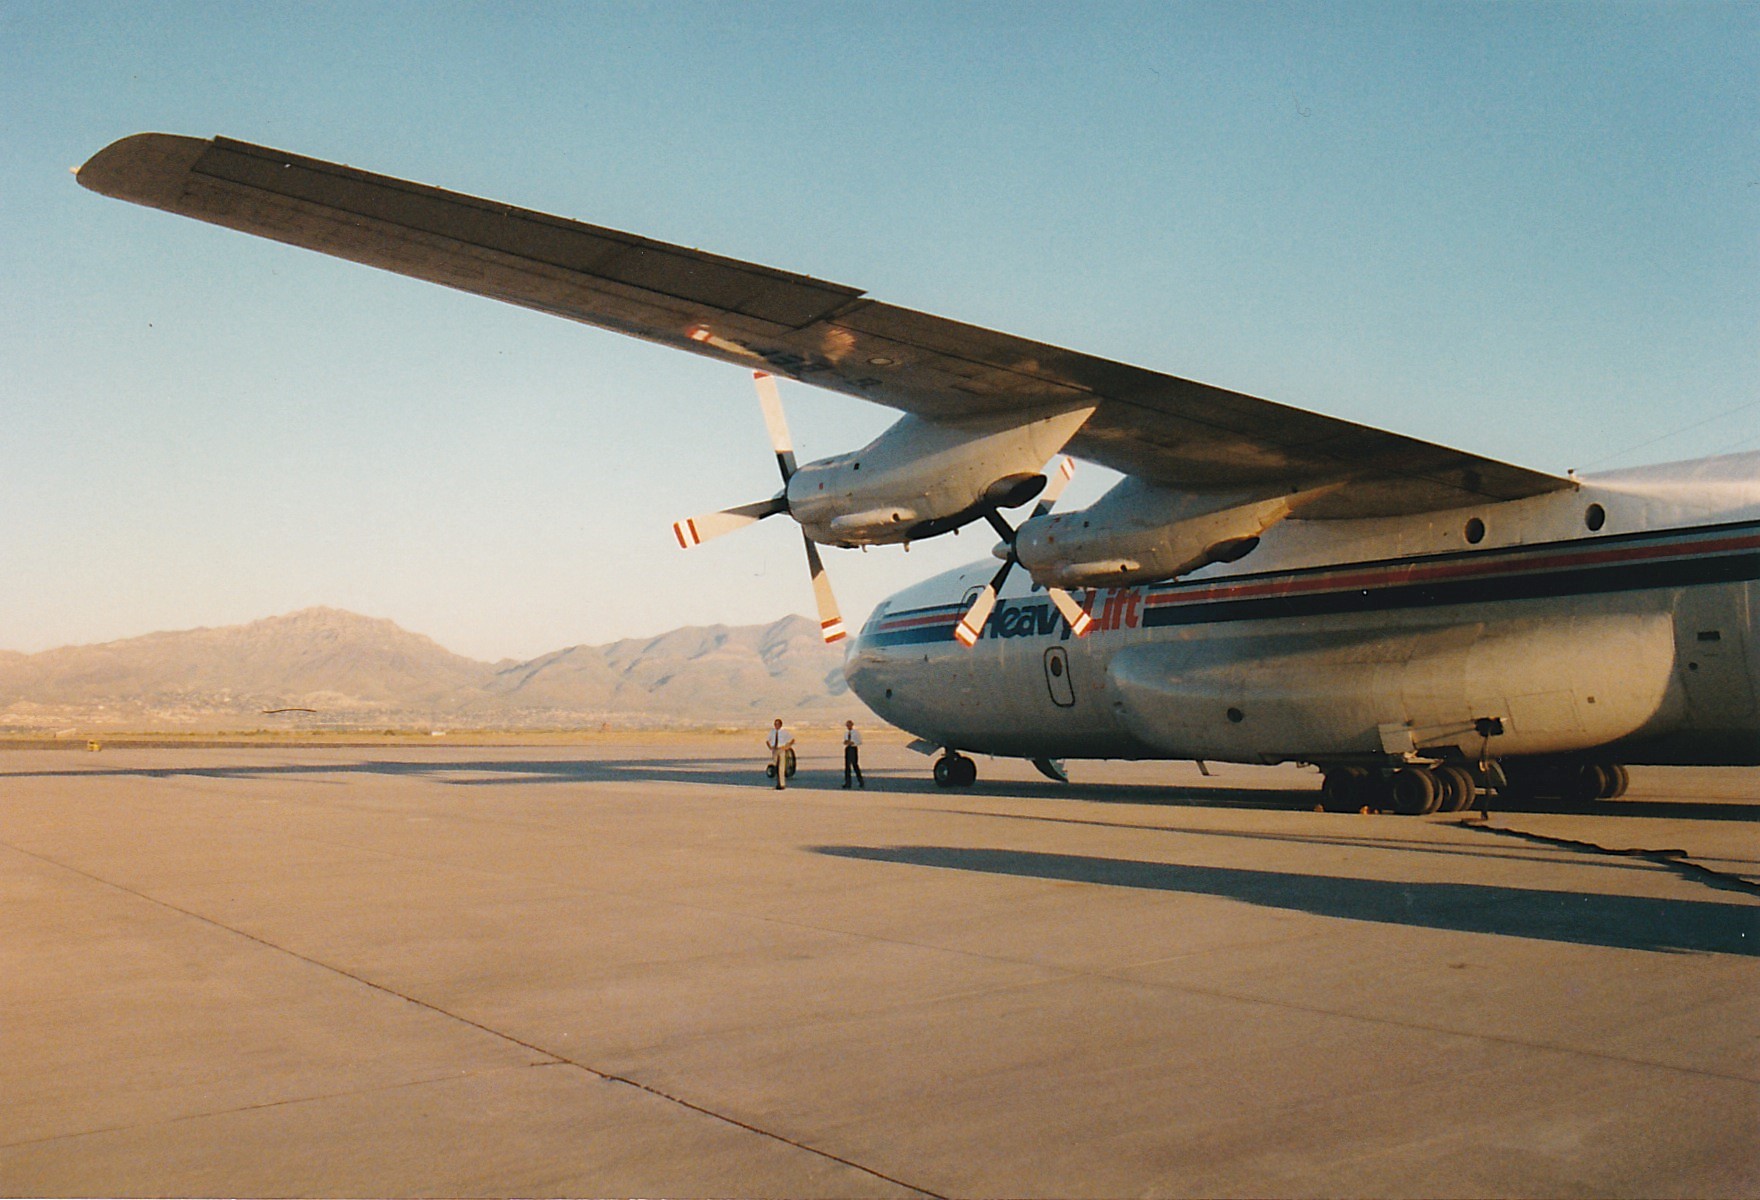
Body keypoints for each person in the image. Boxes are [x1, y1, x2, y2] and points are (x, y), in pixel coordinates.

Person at [765, 718, 795, 789]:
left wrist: (786, 747)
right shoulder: (772, 732)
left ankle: (782, 784)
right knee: (775, 767)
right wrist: (770, 747)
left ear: (781, 725)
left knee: (781, 767)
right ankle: (777, 783)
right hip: (775, 750)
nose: (776, 725)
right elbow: (767, 740)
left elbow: (792, 740)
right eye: (775, 724)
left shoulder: (784, 732)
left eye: (777, 724)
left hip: (781, 749)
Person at [842, 719, 864, 789]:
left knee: (855, 765)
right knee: (847, 767)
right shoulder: (846, 733)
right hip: (848, 749)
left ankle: (861, 781)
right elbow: (845, 741)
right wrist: (846, 742)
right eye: (847, 725)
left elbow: (859, 741)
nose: (848, 726)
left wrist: (853, 742)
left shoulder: (856, 733)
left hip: (853, 749)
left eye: (849, 725)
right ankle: (848, 783)